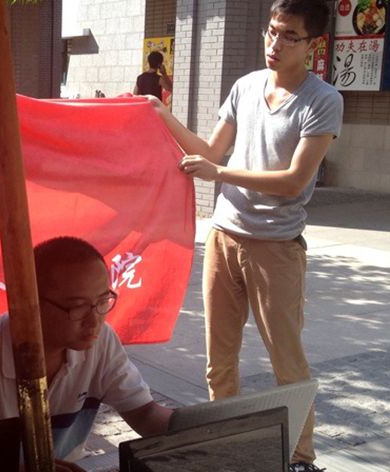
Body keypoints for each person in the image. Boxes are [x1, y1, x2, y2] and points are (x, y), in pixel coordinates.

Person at [148, 1, 342, 471]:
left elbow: (294, 181)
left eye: (289, 36)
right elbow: (210, 150)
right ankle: (227, 448)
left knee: (287, 363)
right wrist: (158, 113)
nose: (275, 43)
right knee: (219, 361)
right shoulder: (246, 86)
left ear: (312, 44)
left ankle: (301, 457)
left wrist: (219, 173)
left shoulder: (323, 100)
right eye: (272, 31)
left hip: (276, 246)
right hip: (223, 237)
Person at [0, 236, 173, 471]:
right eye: (77, 307)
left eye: (102, 301)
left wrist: (192, 426)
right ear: (31, 301)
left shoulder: (101, 341)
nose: (94, 321)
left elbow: (145, 413)